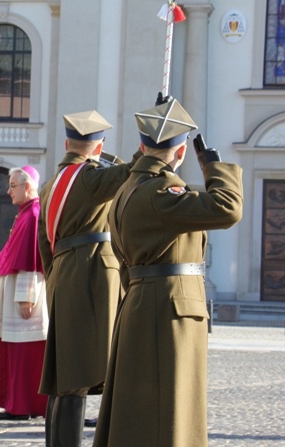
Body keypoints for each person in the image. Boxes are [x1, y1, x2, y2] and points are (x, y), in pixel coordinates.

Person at [93, 98, 243, 446]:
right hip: (169, 308)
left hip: (145, 301)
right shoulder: (161, 192)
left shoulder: (127, 190)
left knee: (142, 409)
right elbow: (228, 208)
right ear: (181, 152)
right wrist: (213, 167)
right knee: (170, 409)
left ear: (143, 146)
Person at [37, 110, 141, 446]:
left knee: (63, 374)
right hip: (89, 275)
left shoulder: (52, 183)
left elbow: (43, 244)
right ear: (98, 147)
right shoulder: (90, 177)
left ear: (67, 143)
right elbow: (136, 170)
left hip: (62, 273)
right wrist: (154, 133)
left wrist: (55, 277)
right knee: (76, 376)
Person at [0, 165, 48, 420]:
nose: (8, 191)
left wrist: (26, 298)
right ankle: (19, 405)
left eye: (13, 186)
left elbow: (31, 261)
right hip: (16, 293)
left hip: (24, 296)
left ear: (27, 187)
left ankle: (22, 407)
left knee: (23, 353)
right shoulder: (25, 213)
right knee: (14, 351)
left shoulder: (33, 214)